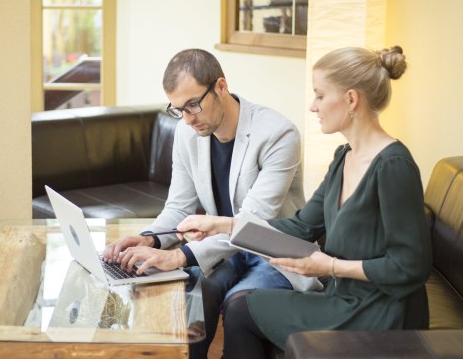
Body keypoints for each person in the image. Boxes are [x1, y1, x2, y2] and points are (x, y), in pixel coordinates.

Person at [177, 46, 433, 358]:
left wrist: (331, 266)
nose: (313, 106)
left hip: (383, 310)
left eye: (320, 95)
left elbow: (411, 266)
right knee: (242, 306)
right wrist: (222, 224)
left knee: (241, 308)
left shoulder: (394, 165)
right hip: (343, 300)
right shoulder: (343, 158)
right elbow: (300, 226)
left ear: (351, 99)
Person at [102, 48, 319, 358]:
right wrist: (149, 237)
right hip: (222, 247)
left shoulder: (277, 133)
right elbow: (179, 206)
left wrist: (181, 257)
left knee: (237, 303)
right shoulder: (186, 132)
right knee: (194, 291)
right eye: (178, 109)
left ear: (220, 86)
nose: (188, 119)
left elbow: (254, 222)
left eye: (193, 105)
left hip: (272, 251)